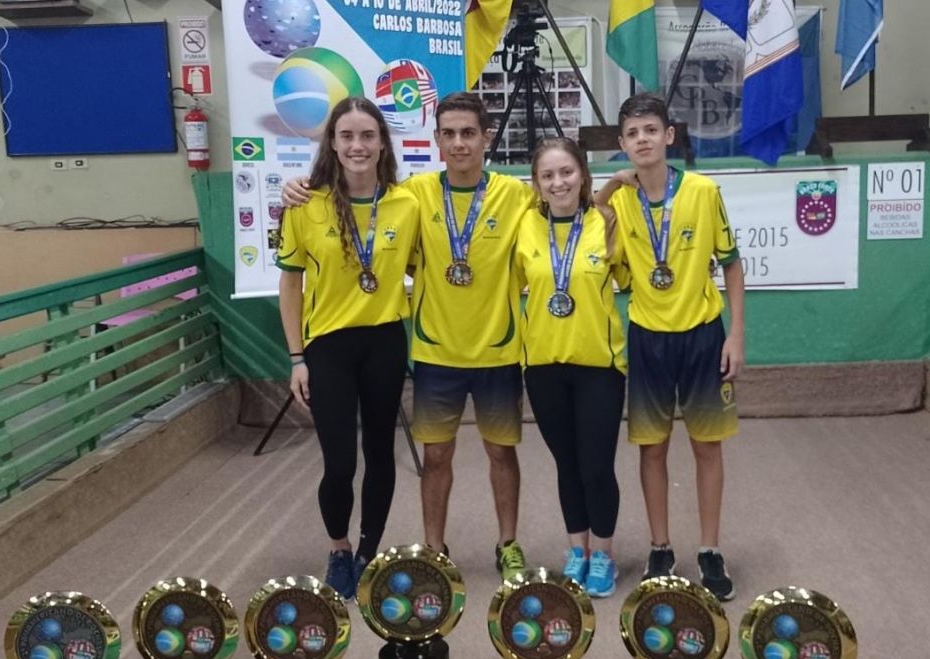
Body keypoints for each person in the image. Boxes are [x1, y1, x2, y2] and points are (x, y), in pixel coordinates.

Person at [285, 92, 536, 581]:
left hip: (487, 348)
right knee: (414, 457)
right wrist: (296, 185)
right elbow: (299, 270)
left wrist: (620, 184)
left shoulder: (511, 194)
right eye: (449, 133)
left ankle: (500, 544)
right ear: (436, 141)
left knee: (495, 452)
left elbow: (571, 195)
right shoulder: (414, 195)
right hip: (424, 350)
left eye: (469, 133)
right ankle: (415, 550)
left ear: (487, 137)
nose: (459, 143)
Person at [596, 93, 745, 601]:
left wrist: (737, 334)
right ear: (622, 144)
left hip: (703, 334)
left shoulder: (703, 192)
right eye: (632, 134)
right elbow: (595, 240)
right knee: (652, 447)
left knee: (707, 445)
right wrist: (606, 191)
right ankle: (661, 546)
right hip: (647, 336)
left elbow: (731, 263)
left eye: (650, 131)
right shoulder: (618, 198)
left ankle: (709, 549)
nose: (642, 140)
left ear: (668, 136)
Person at [276, 97, 420, 600]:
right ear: (333, 144)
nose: (357, 146)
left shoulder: (407, 203)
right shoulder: (304, 205)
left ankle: (368, 550)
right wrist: (296, 358)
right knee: (340, 462)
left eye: (367, 136)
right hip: (328, 348)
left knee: (382, 454)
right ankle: (338, 548)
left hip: (383, 341)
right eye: (347, 137)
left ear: (382, 142)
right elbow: (290, 283)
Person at [515, 138, 630, 597]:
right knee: (566, 463)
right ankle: (576, 550)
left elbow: (627, 277)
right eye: (548, 175)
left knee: (597, 465)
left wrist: (614, 187)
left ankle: (602, 554)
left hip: (599, 365)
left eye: (566, 172)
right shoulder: (523, 226)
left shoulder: (606, 223)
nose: (558, 182)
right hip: (542, 364)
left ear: (583, 175)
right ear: (536, 184)